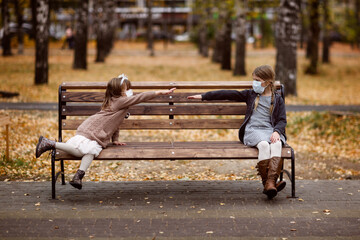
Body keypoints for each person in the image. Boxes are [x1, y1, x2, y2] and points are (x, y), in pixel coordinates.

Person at [36, 74, 176, 190]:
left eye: (128, 89)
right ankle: (50, 143)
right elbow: (140, 98)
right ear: (117, 91)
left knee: (91, 151)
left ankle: (78, 176)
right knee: (81, 151)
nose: (128, 92)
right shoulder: (119, 101)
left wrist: (115, 140)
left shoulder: (120, 103)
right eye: (125, 89)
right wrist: (159, 92)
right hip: (92, 130)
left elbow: (115, 123)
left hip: (97, 134)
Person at [188, 65, 287, 199]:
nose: (255, 83)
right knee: (264, 145)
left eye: (257, 80)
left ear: (268, 82)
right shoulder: (251, 95)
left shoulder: (277, 99)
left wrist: (276, 131)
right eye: (254, 80)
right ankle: (271, 183)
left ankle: (269, 185)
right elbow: (227, 93)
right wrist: (203, 96)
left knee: (276, 143)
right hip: (253, 130)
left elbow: (282, 120)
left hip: (270, 130)